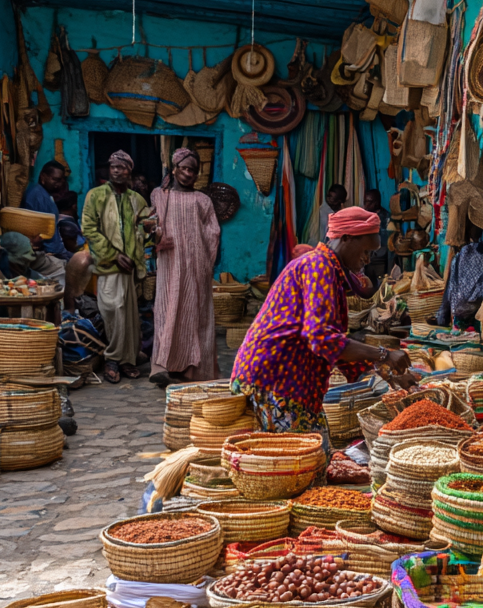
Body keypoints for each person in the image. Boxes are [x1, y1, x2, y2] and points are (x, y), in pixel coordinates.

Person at [231, 206, 415, 441]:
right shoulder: (319, 266)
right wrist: (384, 355)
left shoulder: (331, 271)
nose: (368, 259)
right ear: (347, 238)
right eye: (367, 251)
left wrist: (388, 375)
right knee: (307, 461)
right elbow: (322, 339)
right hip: (276, 379)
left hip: (286, 380)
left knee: (316, 455)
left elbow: (335, 349)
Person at [149, 148, 220, 387]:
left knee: (194, 314)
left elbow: (213, 233)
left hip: (197, 266)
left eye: (193, 170)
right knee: (166, 310)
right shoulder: (159, 195)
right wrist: (155, 236)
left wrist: (207, 264)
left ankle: (193, 371)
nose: (188, 174)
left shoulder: (203, 200)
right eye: (184, 168)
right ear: (174, 168)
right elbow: (149, 224)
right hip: (169, 263)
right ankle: (162, 366)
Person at [81, 150, 153, 383]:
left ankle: (127, 361)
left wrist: (149, 231)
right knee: (112, 309)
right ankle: (113, 358)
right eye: (112, 166)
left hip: (129, 267)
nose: (115, 170)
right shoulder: (96, 195)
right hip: (108, 266)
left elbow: (145, 229)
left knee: (129, 315)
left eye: (121, 167)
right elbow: (89, 228)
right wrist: (113, 255)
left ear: (129, 170)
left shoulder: (137, 199)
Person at [22, 162, 72, 260]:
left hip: (55, 251)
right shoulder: (37, 195)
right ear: (43, 176)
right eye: (55, 179)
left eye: (60, 180)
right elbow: (41, 233)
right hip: (48, 254)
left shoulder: (44, 194)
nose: (58, 184)